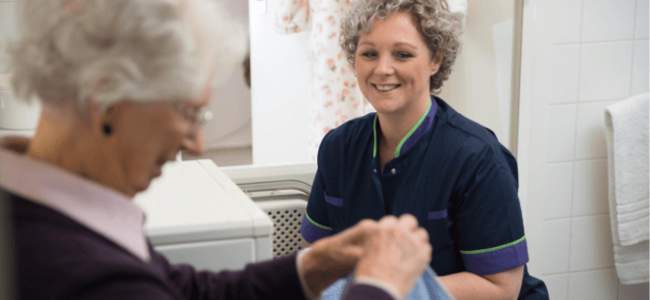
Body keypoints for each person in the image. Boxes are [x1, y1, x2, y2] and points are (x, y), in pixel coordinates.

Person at [0, 0, 432, 299]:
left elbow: (185, 290)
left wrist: (316, 265)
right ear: (106, 101)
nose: (197, 143)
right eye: (189, 112)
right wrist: (378, 288)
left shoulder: (47, 205)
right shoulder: (86, 276)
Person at [299, 0, 549, 299]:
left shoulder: (477, 157)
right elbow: (319, 254)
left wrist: (388, 289)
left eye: (402, 54)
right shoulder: (338, 148)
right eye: (369, 54)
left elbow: (501, 288)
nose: (383, 69)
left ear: (436, 61)